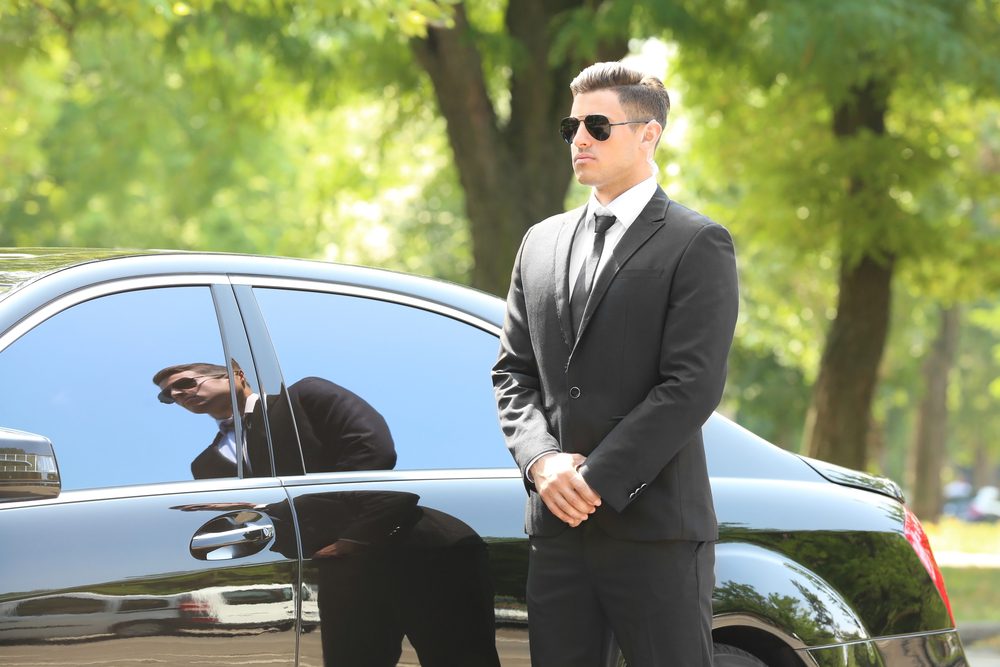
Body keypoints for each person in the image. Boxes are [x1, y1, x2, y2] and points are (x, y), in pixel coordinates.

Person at [492, 61, 739, 667]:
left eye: (597, 125)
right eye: (571, 125)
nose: (579, 138)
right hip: (557, 533)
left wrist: (593, 481)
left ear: (648, 134)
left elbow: (691, 386)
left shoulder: (696, 242)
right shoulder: (540, 242)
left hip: (654, 532)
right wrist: (543, 462)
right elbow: (513, 373)